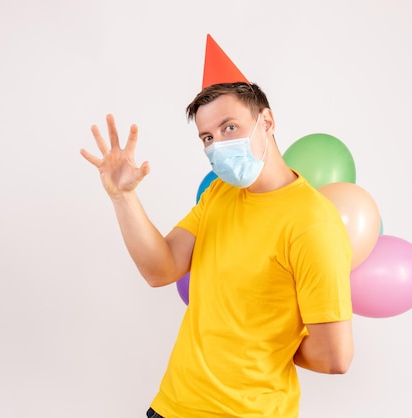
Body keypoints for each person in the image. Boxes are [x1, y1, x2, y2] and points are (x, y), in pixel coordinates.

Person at [80, 82, 354, 417]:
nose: (219, 144)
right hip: (173, 406)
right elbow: (159, 270)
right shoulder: (219, 194)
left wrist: (267, 344)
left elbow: (335, 357)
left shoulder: (312, 223)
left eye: (229, 128)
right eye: (208, 137)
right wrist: (123, 197)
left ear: (266, 121)